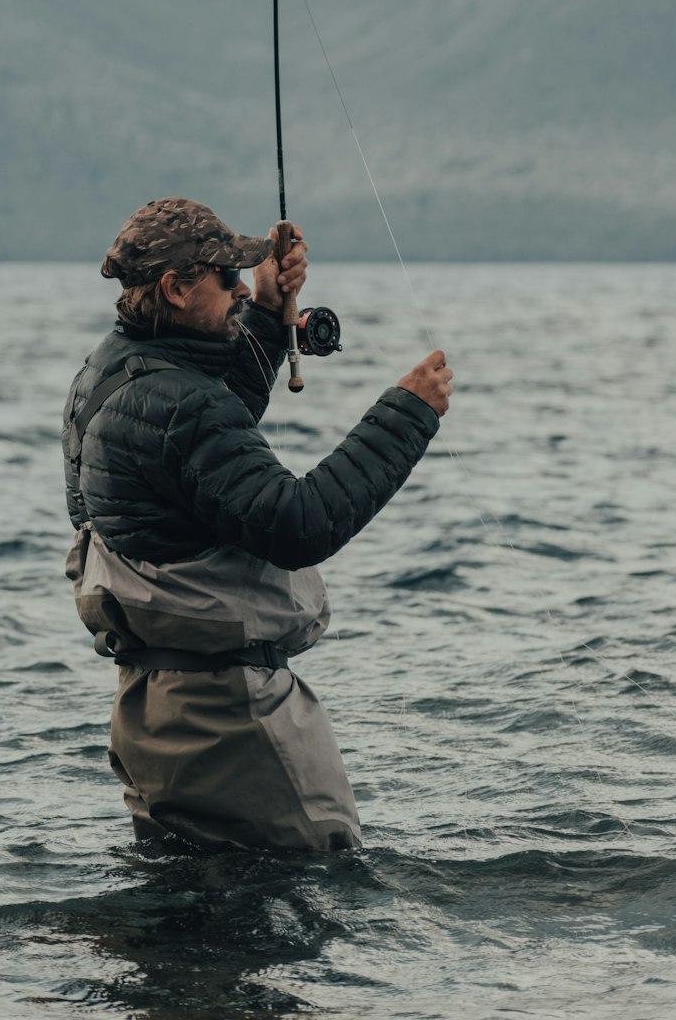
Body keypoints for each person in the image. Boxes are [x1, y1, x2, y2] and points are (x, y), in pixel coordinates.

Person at [63, 197, 452, 851]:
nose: (243, 287)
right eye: (228, 279)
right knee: (311, 889)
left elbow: (202, 453)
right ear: (177, 289)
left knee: (186, 917)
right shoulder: (179, 404)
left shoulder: (109, 375)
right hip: (231, 721)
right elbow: (299, 526)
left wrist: (272, 316)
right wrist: (407, 413)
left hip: (152, 708)